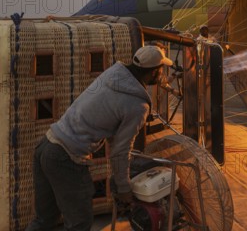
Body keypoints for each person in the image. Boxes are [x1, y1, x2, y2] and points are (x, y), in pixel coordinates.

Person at [25, 45, 173, 231]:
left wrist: (119, 175)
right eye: (161, 69)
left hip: (46, 145)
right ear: (153, 72)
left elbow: (111, 129)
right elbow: (120, 150)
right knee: (79, 224)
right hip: (66, 158)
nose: (162, 74)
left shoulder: (112, 75)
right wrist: (124, 188)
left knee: (44, 221)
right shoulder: (138, 105)